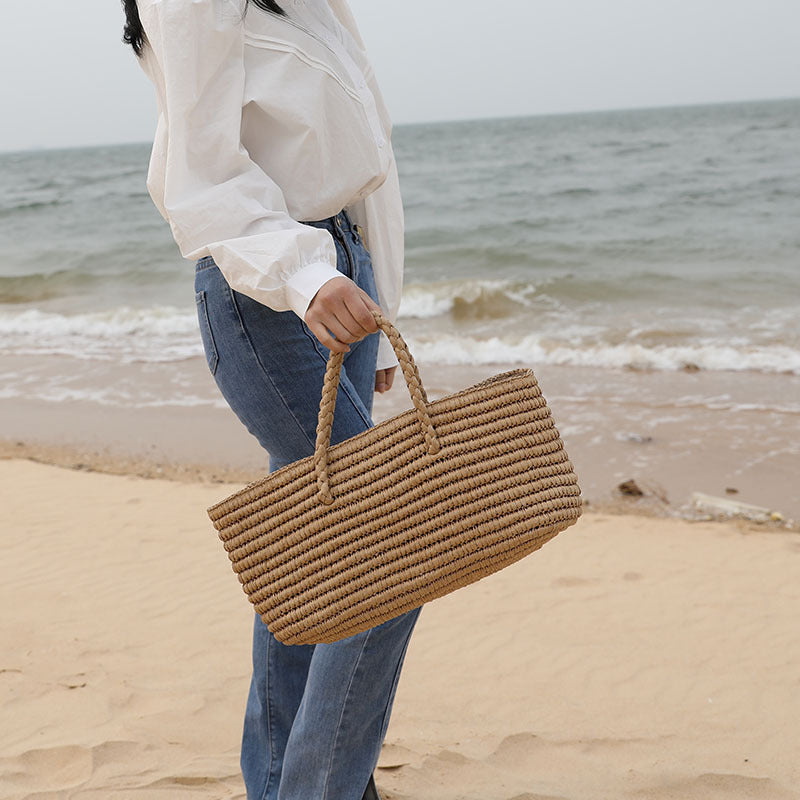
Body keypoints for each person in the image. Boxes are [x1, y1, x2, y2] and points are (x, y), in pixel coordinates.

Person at [122, 1, 421, 798]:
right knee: (393, 546)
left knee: (314, 557)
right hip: (272, 292)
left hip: (334, 273)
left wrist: (375, 287)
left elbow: (366, 149)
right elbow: (200, 169)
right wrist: (304, 275)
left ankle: (282, 782)